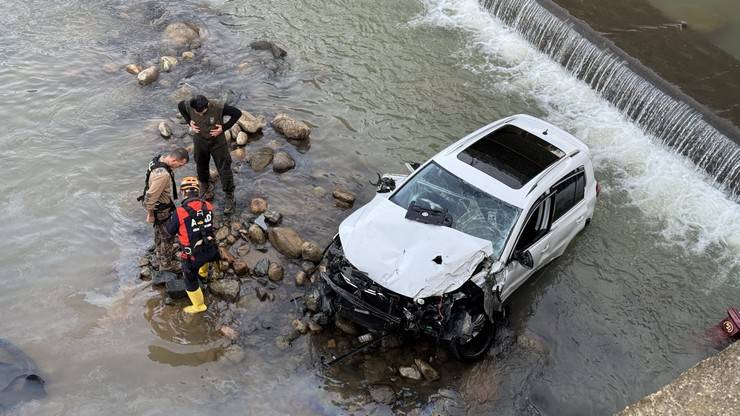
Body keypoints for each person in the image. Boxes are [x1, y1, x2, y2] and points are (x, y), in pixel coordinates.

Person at [178, 95, 242, 214]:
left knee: (224, 168)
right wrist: (189, 122)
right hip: (200, 141)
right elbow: (180, 106)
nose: (200, 114)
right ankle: (204, 185)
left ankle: (229, 195)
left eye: (202, 112)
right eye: (198, 112)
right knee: (200, 164)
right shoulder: (189, 105)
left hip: (218, 143)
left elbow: (237, 113)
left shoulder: (218, 107)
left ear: (207, 105)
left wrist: (223, 128)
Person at [165, 177, 220, 314]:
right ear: (197, 192)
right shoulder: (208, 205)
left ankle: (199, 306)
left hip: (192, 256)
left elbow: (170, 231)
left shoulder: (180, 212)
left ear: (183, 193)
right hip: (210, 249)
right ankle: (204, 274)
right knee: (204, 258)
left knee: (189, 280)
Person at [138, 147, 189, 272]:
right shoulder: (163, 176)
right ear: (173, 160)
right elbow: (150, 197)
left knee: (158, 230)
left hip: (158, 206)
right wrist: (150, 214)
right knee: (168, 236)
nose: (180, 168)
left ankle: (158, 252)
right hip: (160, 208)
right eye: (180, 165)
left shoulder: (158, 160)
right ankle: (166, 265)